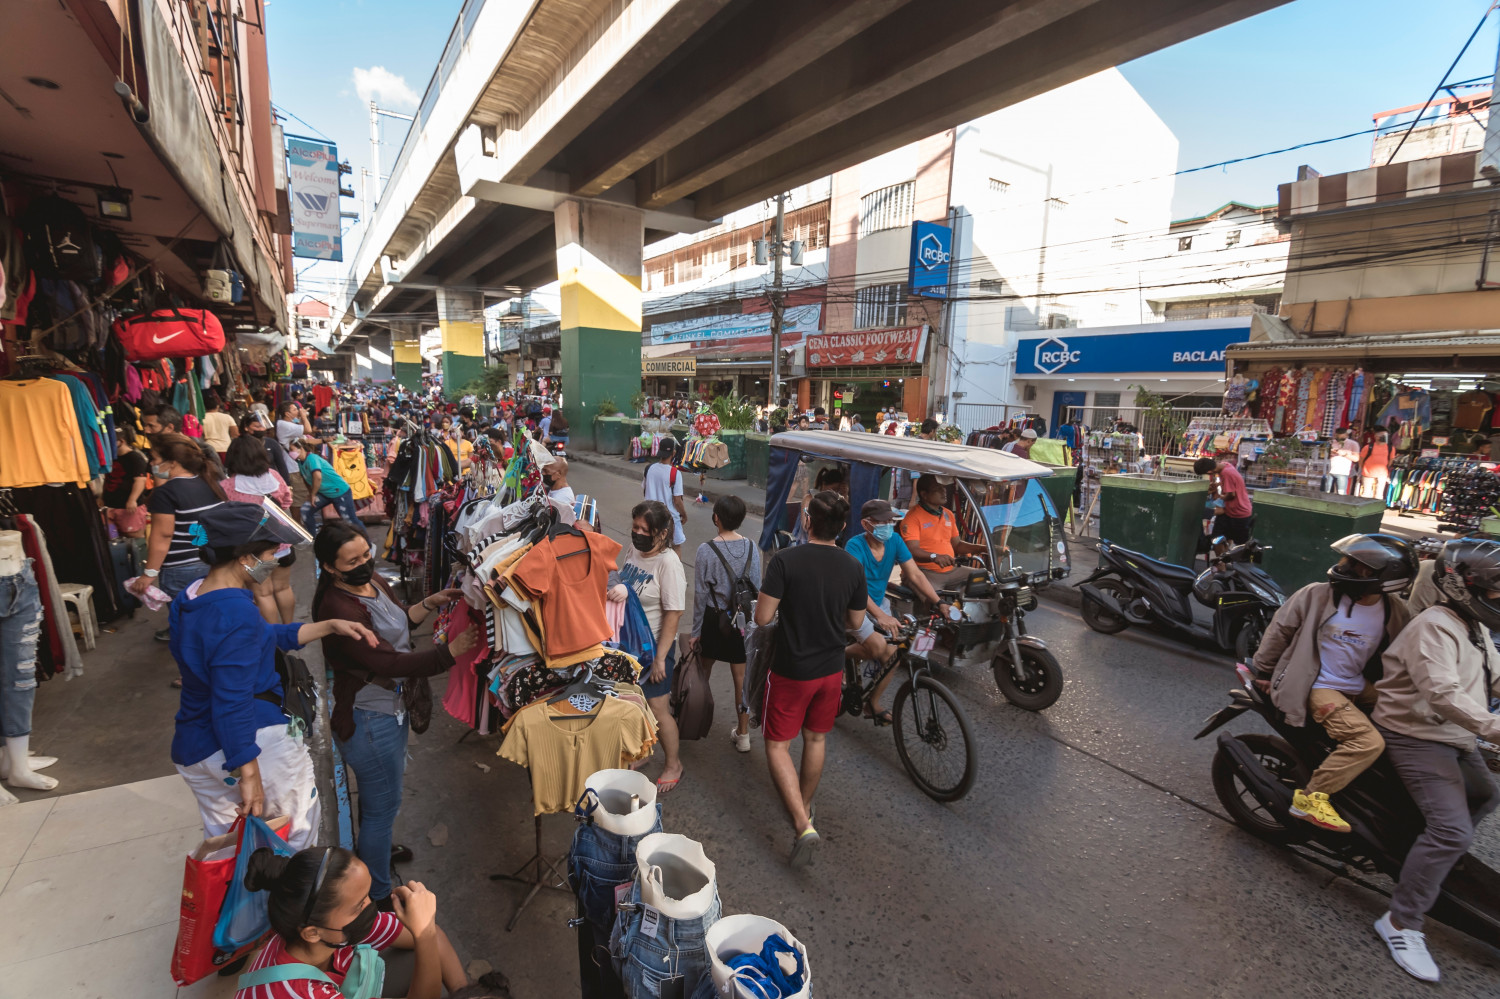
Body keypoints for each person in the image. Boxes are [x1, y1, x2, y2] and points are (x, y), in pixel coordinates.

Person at [170, 503, 375, 852]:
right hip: (251, 744)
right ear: (244, 558)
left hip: (195, 745)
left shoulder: (193, 596)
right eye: (268, 554)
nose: (274, 562)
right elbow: (231, 700)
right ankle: (290, 904)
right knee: (292, 842)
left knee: (233, 849)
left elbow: (265, 638)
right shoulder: (235, 613)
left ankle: (246, 905)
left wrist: (327, 625)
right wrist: (249, 773)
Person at [313, 522, 474, 906]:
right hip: (369, 719)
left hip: (387, 711)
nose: (364, 563)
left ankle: (377, 855)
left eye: (366, 554)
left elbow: (398, 619)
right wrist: (449, 653)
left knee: (379, 801)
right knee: (382, 806)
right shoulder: (337, 609)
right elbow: (388, 661)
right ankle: (380, 895)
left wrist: (429, 604)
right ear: (331, 568)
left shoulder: (372, 584)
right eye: (352, 561)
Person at [1369, 539, 1500, 982]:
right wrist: (1494, 729)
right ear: (1463, 585)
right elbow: (1442, 695)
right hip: (1415, 735)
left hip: (1453, 735)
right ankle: (1401, 922)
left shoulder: (1474, 626)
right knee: (1451, 829)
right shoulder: (1433, 626)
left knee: (1485, 794)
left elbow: (1494, 676)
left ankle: (1432, 862)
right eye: (1497, 589)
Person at [1250, 534, 1415, 834]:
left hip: (1356, 684)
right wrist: (1262, 670)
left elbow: (1410, 652)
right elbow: (1279, 632)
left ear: (1384, 578)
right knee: (1367, 742)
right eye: (1348, 562)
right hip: (1318, 683)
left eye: (1358, 566)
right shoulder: (1316, 594)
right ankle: (1312, 798)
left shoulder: (1395, 611)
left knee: (1409, 718)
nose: (1345, 569)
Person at [754, 490, 866, 867]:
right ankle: (803, 806)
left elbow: (762, 619)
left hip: (792, 670)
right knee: (816, 738)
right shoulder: (852, 566)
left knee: (776, 746)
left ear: (807, 521)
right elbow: (855, 622)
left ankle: (803, 824)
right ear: (843, 527)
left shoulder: (786, 561)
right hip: (831, 669)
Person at [234, 846, 470, 997]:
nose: (370, 907)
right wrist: (425, 931)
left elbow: (433, 937)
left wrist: (465, 993)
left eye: (367, 894)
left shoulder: (333, 928)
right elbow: (429, 936)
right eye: (359, 904)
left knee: (420, 955)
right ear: (312, 933)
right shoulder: (300, 993)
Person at [845, 499, 944, 723]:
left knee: (894, 653)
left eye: (891, 520)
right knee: (880, 647)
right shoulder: (854, 546)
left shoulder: (895, 540)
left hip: (880, 605)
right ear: (866, 524)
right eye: (882, 521)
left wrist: (939, 603)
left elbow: (916, 575)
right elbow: (856, 589)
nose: (888, 525)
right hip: (855, 605)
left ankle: (872, 702)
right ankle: (837, 655)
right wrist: (881, 616)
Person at [613, 501, 688, 794]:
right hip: (628, 646)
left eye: (645, 529)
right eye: (635, 527)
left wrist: (660, 659)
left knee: (658, 708)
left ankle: (674, 764)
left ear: (661, 532)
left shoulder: (668, 564)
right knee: (632, 703)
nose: (638, 533)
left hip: (655, 648)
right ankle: (641, 753)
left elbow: (674, 613)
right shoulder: (634, 551)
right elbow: (624, 579)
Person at [131, 434, 227, 644]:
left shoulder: (165, 493)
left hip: (181, 570)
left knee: (188, 626)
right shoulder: (209, 482)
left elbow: (162, 536)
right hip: (213, 562)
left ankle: (193, 675)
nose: (151, 464)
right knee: (211, 621)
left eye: (155, 459)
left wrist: (149, 574)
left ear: (172, 463)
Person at [687, 495, 762, 753]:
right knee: (741, 679)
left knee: (702, 673)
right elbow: (757, 589)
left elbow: (700, 595)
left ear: (716, 517)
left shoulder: (706, 550)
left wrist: (695, 631)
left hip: (714, 619)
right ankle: (743, 735)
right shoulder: (752, 547)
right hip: (742, 623)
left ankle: (696, 722)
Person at [223, 436, 298, 625]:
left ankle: (273, 639)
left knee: (263, 593)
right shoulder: (274, 475)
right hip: (283, 542)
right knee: (283, 588)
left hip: (254, 549)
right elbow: (287, 500)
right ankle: (289, 631)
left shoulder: (228, 486)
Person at [900, 474, 986, 576]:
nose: (944, 491)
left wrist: (983, 548)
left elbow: (957, 545)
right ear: (924, 494)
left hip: (950, 569)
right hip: (924, 572)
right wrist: (934, 557)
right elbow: (912, 550)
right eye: (937, 489)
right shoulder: (912, 517)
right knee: (932, 592)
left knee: (985, 578)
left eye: (943, 487)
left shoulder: (948, 514)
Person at [288, 439, 368, 536]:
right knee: (306, 510)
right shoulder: (301, 462)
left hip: (340, 491)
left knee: (350, 520)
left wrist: (313, 494)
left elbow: (317, 477)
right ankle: (312, 537)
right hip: (325, 493)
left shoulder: (312, 459)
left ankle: (366, 542)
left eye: (291, 449)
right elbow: (306, 480)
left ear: (300, 448)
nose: (290, 453)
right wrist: (311, 494)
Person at [102, 425, 151, 538]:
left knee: (134, 538)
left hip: (129, 508)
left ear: (121, 441)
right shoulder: (111, 457)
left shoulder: (135, 457)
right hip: (111, 506)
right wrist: (102, 496)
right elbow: (108, 477)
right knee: (113, 539)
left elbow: (140, 480)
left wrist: (132, 500)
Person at [144, 405, 223, 475]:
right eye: (145, 425)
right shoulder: (156, 452)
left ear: (170, 428)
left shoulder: (203, 450)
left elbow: (218, 481)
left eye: (151, 426)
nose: (146, 430)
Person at [1192, 456, 1253, 543]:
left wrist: (1220, 497)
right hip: (1229, 512)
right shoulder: (1225, 465)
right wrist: (1215, 492)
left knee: (1240, 543)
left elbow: (1231, 494)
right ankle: (1224, 555)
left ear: (1209, 471)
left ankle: (1228, 554)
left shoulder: (1226, 473)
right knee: (1217, 539)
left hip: (1238, 513)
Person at [642, 438, 687, 553]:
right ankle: (676, 571)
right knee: (676, 546)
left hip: (650, 515)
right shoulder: (675, 473)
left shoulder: (649, 469)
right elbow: (677, 501)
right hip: (669, 517)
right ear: (673, 453)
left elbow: (645, 490)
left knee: (654, 547)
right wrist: (684, 515)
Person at [202, 393, 239, 463]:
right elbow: (235, 434)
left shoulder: (202, 419)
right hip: (226, 449)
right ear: (217, 406)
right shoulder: (227, 417)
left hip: (209, 448)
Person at [1360, 430, 1394, 501]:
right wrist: (1362, 468)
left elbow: (1391, 460)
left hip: (1382, 473)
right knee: (1366, 493)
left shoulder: (1390, 448)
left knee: (1379, 494)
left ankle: (1376, 510)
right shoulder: (1368, 447)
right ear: (1376, 437)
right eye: (1382, 436)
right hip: (1368, 472)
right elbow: (1361, 459)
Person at [1326, 426, 1358, 495]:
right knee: (1326, 492)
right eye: (1337, 437)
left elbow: (1356, 459)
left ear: (1346, 435)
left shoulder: (1353, 444)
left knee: (1341, 493)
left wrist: (1344, 454)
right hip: (1329, 470)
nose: (1339, 439)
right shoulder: (1331, 442)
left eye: (1341, 437)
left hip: (1342, 472)